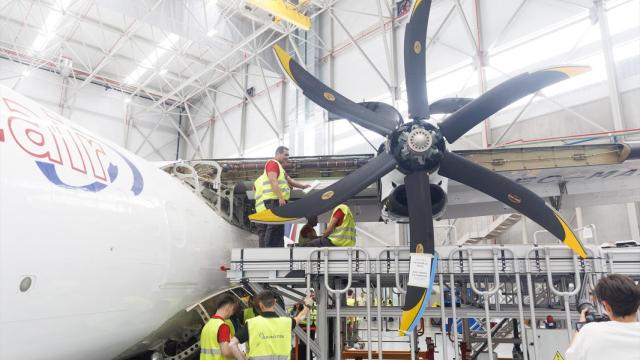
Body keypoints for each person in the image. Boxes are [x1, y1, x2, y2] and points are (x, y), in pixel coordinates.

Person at [565, 274, 640, 360]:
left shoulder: (590, 332)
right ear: (638, 304)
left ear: (607, 306)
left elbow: (570, 357)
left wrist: (581, 327)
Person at [229, 290, 314, 360]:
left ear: (260, 305)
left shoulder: (252, 324)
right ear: (274, 303)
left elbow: (232, 344)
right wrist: (308, 305)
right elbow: (300, 317)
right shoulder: (286, 322)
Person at [254, 146, 309, 248]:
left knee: (277, 228)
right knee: (274, 227)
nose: (287, 157)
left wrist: (303, 186)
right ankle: (269, 251)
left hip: (273, 202)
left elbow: (290, 180)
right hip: (274, 201)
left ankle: (275, 250)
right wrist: (280, 197)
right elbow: (273, 180)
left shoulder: (280, 169)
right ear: (278, 154)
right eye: (285, 155)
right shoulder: (272, 164)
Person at [200, 294, 242, 360]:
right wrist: (240, 354)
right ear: (229, 306)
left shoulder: (207, 325)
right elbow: (226, 352)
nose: (233, 313)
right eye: (233, 309)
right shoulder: (222, 326)